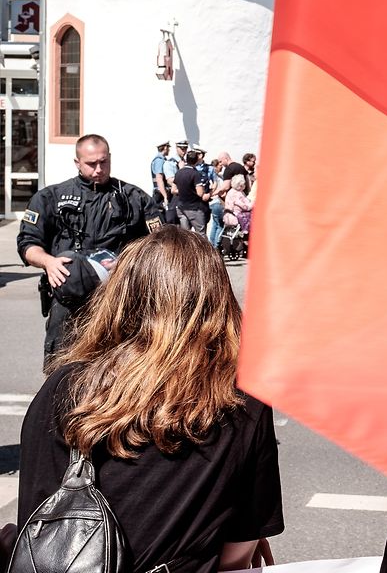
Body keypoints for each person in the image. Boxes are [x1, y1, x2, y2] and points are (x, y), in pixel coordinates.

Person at [13, 228, 284, 573]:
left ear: (119, 296)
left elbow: (35, 517)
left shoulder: (62, 386)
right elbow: (238, 554)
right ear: (217, 301)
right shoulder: (239, 400)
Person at [16, 134, 162, 363]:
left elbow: (160, 245)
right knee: (62, 370)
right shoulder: (49, 198)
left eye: (103, 162)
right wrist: (48, 262)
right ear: (77, 162)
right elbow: (28, 243)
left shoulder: (135, 198)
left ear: (110, 158)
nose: (98, 169)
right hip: (69, 299)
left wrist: (131, 264)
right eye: (91, 164)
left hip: (118, 299)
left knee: (115, 370)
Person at [175, 149, 211, 234]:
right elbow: (200, 193)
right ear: (196, 160)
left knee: (185, 235)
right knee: (201, 234)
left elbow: (173, 190)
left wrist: (184, 190)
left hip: (181, 207)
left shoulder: (178, 173)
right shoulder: (195, 173)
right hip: (194, 208)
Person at [163, 140, 189, 224]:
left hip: (186, 196)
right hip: (175, 195)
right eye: (182, 149)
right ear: (177, 148)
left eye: (185, 148)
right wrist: (182, 171)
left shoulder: (186, 162)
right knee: (173, 221)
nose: (184, 151)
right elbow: (170, 180)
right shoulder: (170, 163)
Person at [150, 141, 170, 214]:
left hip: (160, 192)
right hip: (160, 193)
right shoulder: (159, 160)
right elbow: (159, 179)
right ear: (165, 148)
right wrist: (165, 196)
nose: (169, 150)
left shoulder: (161, 159)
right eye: (168, 147)